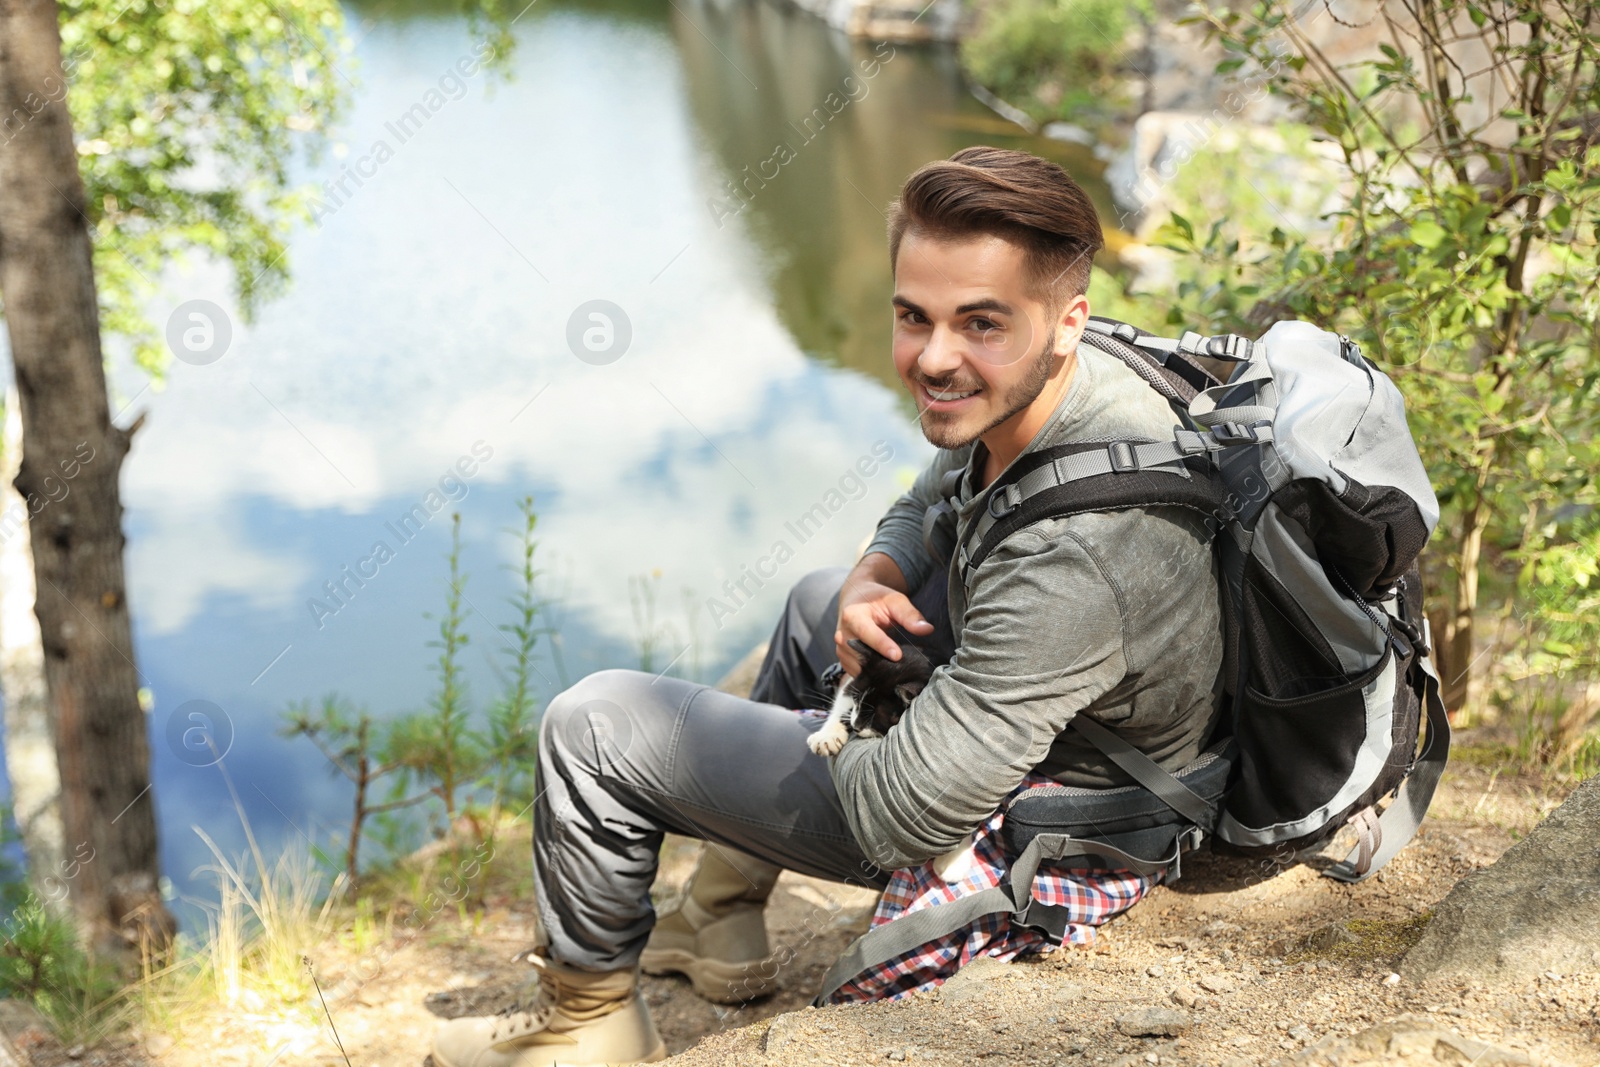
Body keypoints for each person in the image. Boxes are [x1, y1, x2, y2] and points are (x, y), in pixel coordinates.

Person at [430, 146, 1224, 1067]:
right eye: (911, 316)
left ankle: (590, 1023)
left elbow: (910, 815)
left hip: (1087, 808)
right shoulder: (1069, 381)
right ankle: (719, 914)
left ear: (1064, 321)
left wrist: (793, 740)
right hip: (1087, 719)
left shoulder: (1080, 553)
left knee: (597, 728)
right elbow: (933, 492)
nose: (934, 357)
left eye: (978, 324)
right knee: (821, 606)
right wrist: (875, 571)